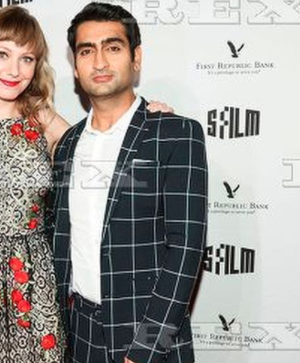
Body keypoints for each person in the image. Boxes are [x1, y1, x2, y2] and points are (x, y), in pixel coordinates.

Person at [0, 5, 171, 363]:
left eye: (27, 58)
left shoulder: (42, 121)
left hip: (35, 292)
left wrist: (145, 118)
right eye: (2, 54)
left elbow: (103, 152)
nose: (14, 70)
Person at [52, 3, 208, 363]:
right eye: (86, 51)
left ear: (136, 58)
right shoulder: (68, 145)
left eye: (114, 47)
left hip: (148, 336)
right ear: (75, 66)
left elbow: (186, 250)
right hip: (79, 334)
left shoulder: (176, 134)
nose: (100, 62)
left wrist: (147, 349)